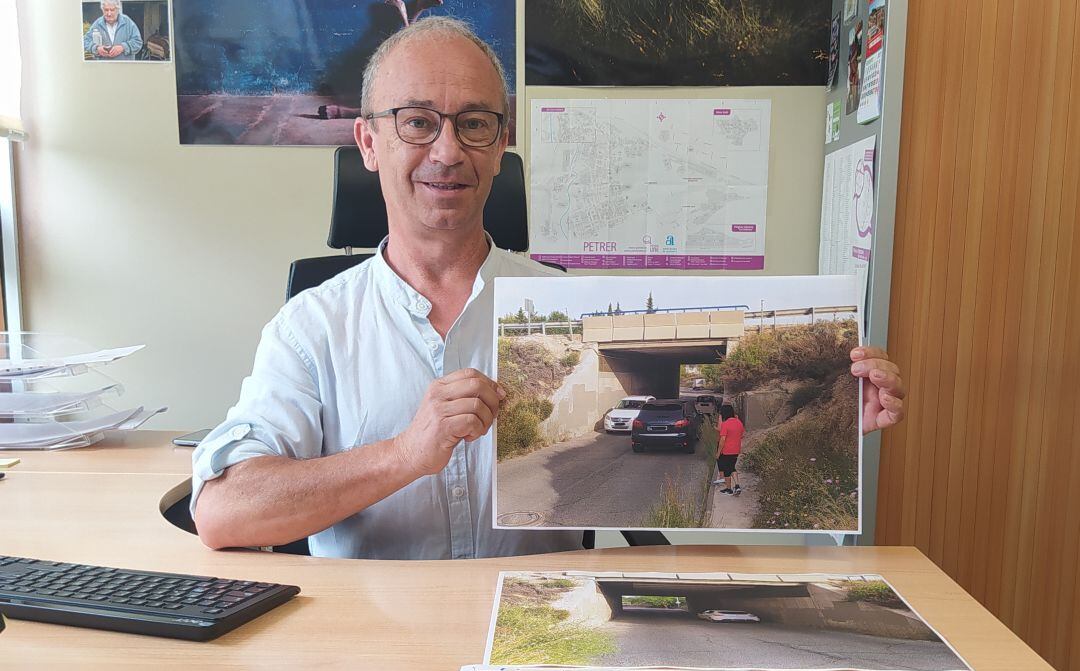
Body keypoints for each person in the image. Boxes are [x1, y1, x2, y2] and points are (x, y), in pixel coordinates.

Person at [191, 18, 907, 559]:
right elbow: (223, 512)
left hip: (537, 641)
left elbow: (703, 469)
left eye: (474, 123)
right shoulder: (311, 327)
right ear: (369, 143)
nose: (447, 150)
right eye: (417, 122)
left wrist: (832, 409)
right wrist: (404, 452)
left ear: (501, 145)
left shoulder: (569, 310)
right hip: (375, 657)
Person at [713, 404, 745, 495]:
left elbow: (722, 440)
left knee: (727, 470)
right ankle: (737, 486)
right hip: (736, 450)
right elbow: (742, 435)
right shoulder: (739, 423)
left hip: (726, 451)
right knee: (732, 467)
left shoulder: (725, 424)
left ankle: (729, 489)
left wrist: (718, 453)